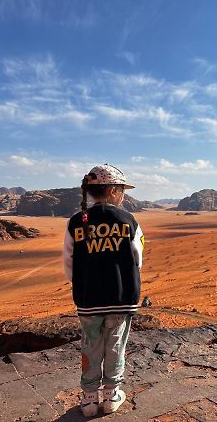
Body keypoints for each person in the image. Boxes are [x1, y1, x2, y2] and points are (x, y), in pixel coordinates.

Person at [63, 164, 144, 417]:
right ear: (112, 190)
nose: (122, 195)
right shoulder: (129, 220)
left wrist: (85, 283)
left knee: (90, 346)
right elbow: (138, 258)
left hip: (88, 299)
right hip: (121, 298)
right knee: (115, 346)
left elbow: (69, 263)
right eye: (121, 190)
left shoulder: (75, 222)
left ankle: (88, 400)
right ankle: (111, 395)